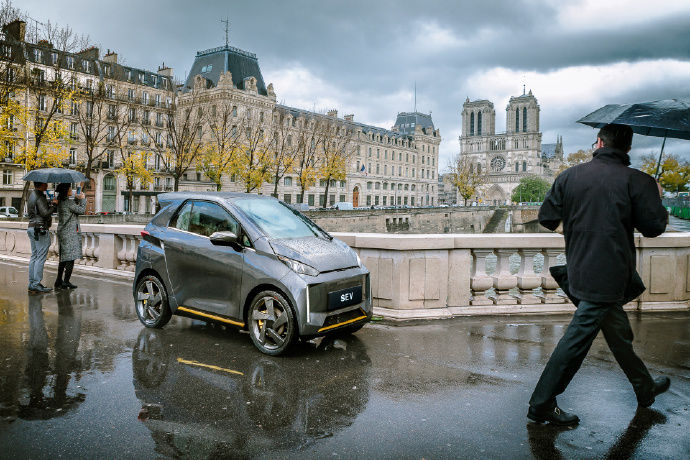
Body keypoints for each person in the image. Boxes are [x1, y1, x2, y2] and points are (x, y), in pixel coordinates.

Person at [528, 123, 670, 426]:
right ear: (628, 149)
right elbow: (654, 228)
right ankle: (541, 404)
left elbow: (547, 218)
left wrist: (582, 228)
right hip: (612, 273)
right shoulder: (638, 181)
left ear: (599, 143)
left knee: (619, 334)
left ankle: (644, 387)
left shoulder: (569, 176)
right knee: (576, 341)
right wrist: (654, 195)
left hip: (578, 268)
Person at [26, 181, 57, 293]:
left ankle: (32, 283)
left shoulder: (31, 195)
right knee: (40, 257)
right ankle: (36, 283)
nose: (47, 185)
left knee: (34, 256)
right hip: (40, 229)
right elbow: (45, 213)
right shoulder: (39, 196)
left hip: (31, 227)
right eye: (45, 183)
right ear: (41, 185)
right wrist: (54, 205)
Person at [54, 183, 86, 289]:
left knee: (63, 257)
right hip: (69, 232)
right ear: (66, 191)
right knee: (70, 257)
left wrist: (77, 199)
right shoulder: (67, 202)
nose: (71, 190)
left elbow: (73, 209)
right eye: (70, 189)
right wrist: (82, 199)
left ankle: (59, 280)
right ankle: (66, 281)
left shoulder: (61, 201)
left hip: (62, 231)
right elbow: (81, 210)